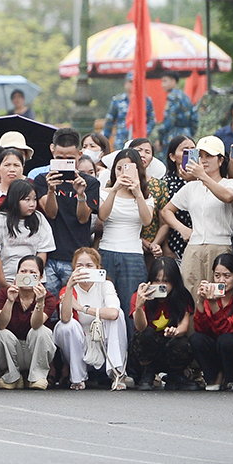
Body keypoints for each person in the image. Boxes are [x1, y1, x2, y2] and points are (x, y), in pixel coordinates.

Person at [158, 137, 233, 291]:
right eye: (200, 156)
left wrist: (202, 176)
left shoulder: (230, 183)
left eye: (209, 156)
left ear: (220, 160)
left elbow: (228, 196)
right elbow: (166, 211)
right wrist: (182, 229)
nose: (203, 160)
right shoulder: (191, 187)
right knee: (191, 295)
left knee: (218, 295)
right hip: (194, 248)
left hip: (220, 247)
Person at [97, 148, 155, 345]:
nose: (123, 172)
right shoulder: (104, 191)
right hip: (106, 251)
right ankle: (107, 365)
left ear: (138, 170)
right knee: (107, 305)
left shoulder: (146, 196)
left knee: (131, 307)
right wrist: (114, 189)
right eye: (119, 168)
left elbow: (147, 221)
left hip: (133, 255)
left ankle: (133, 364)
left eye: (128, 168)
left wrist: (138, 192)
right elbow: (102, 216)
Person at [53, 248, 126, 389]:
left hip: (103, 340)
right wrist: (69, 287)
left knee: (119, 316)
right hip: (82, 342)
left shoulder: (105, 285)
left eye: (89, 265)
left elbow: (113, 313)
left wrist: (82, 308)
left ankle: (117, 372)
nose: (84, 269)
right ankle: (78, 378)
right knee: (66, 326)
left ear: (97, 268)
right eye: (80, 266)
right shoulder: (69, 289)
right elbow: (66, 318)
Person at [39, 128, 99, 294]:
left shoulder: (90, 183)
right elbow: (50, 213)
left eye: (70, 159)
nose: (64, 162)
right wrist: (51, 190)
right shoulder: (42, 180)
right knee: (49, 309)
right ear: (52, 151)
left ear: (79, 154)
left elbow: (83, 218)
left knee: (74, 306)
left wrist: (81, 194)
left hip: (76, 258)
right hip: (49, 256)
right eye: (59, 158)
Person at [129, 254, 198, 390]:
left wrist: (176, 332)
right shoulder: (139, 295)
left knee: (182, 342)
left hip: (169, 344)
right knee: (146, 333)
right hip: (146, 348)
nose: (161, 285)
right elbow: (140, 327)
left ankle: (176, 374)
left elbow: (184, 326)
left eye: (166, 281)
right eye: (156, 280)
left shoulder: (182, 297)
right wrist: (139, 306)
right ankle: (147, 373)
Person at [191, 252, 233, 390]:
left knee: (226, 340)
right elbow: (201, 329)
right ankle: (215, 375)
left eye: (227, 276)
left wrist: (214, 305)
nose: (221, 281)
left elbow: (228, 329)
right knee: (196, 338)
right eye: (217, 275)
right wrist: (200, 303)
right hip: (216, 346)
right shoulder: (210, 294)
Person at [0, 255, 58, 389]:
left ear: (40, 277)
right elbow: (1, 324)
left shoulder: (48, 297)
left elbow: (36, 325)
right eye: (23, 271)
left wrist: (40, 302)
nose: (27, 275)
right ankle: (12, 376)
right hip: (13, 349)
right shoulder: (4, 294)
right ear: (17, 274)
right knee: (0, 334)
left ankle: (37, 377)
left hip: (34, 350)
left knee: (42, 331)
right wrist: (10, 301)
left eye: (33, 273)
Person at [0, 179, 53, 287]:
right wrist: (3, 283)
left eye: (34, 199)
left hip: (33, 281)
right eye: (27, 200)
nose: (32, 204)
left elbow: (42, 251)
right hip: (6, 279)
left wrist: (34, 276)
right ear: (14, 199)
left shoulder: (39, 218)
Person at [105, 76, 156, 148]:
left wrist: (144, 132)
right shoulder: (117, 100)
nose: (133, 85)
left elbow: (152, 120)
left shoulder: (146, 101)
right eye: (131, 82)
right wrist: (104, 139)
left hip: (139, 142)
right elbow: (109, 121)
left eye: (136, 82)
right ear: (125, 84)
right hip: (121, 141)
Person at [155, 71, 198, 150]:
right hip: (187, 136)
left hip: (172, 137)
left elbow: (169, 120)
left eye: (165, 81)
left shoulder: (172, 96)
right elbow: (194, 118)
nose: (162, 84)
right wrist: (191, 134)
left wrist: (160, 137)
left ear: (173, 81)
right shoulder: (185, 96)